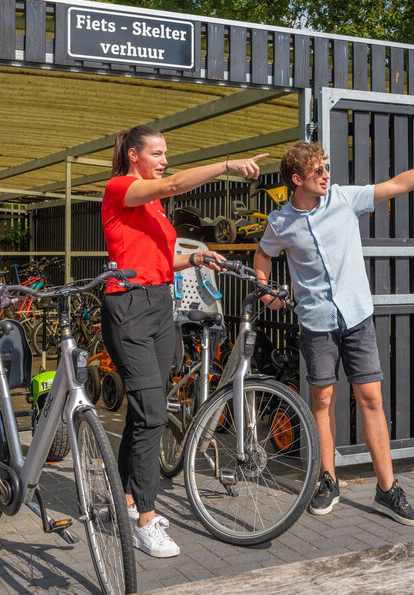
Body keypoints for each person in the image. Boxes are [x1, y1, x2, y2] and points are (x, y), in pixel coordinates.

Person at [253, 136, 414, 526]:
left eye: (326, 166)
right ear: (297, 179)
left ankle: (387, 490)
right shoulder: (280, 222)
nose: (326, 174)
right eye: (318, 169)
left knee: (370, 398)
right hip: (316, 323)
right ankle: (327, 481)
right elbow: (263, 253)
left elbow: (397, 183)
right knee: (322, 403)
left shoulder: (343, 199)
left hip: (357, 318)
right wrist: (265, 288)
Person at [100, 124, 265, 558]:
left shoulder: (151, 203)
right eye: (157, 152)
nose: (164, 160)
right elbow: (174, 183)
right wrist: (228, 164)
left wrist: (195, 257)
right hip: (128, 307)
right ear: (134, 155)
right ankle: (146, 519)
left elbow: (156, 257)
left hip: (158, 303)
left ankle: (125, 498)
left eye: (166, 153)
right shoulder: (122, 187)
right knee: (153, 413)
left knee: (144, 410)